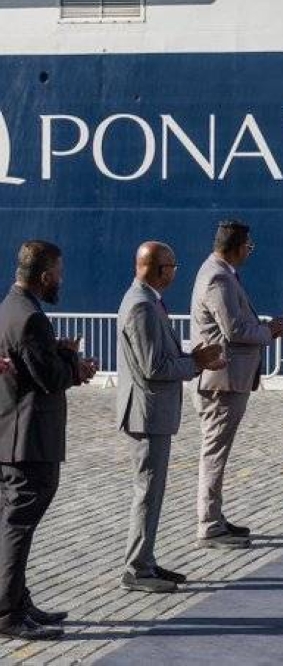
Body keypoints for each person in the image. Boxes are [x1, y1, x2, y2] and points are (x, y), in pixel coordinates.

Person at [0, 241, 97, 640]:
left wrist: (57, 351)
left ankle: (19, 601)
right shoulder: (32, 318)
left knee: (12, 523)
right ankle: (7, 612)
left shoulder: (9, 308)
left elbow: (26, 362)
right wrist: (76, 365)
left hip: (11, 436)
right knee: (18, 526)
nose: (61, 279)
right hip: (29, 441)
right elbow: (48, 379)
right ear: (44, 276)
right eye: (58, 273)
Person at [116, 242, 227, 593]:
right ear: (154, 268)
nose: (175, 272)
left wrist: (191, 356)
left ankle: (146, 560)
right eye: (171, 266)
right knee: (147, 493)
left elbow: (160, 355)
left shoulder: (147, 301)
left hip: (152, 414)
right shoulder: (142, 306)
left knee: (152, 492)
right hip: (147, 416)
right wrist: (197, 363)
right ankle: (137, 569)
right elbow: (154, 367)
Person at [190, 220, 283, 549]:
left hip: (227, 379)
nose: (250, 251)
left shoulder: (219, 272)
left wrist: (259, 327)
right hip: (222, 381)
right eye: (249, 246)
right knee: (214, 453)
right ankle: (209, 525)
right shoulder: (218, 277)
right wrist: (268, 332)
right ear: (236, 246)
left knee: (217, 452)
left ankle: (215, 516)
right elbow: (233, 330)